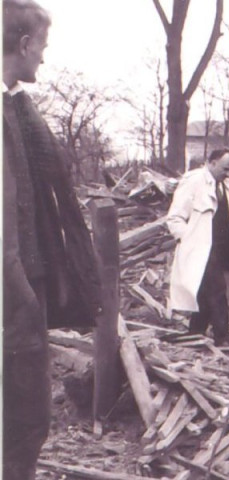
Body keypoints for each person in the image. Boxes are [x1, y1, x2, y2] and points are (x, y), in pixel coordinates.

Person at [3, 2, 103, 476]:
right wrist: (22, 295)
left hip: (25, 284)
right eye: (42, 45)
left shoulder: (17, 109)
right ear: (24, 44)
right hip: (12, 289)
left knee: (27, 417)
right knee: (21, 417)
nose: (44, 56)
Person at [166, 148, 229, 347]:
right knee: (217, 289)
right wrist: (188, 239)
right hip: (201, 246)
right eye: (224, 168)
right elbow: (175, 217)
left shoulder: (226, 186)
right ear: (211, 162)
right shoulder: (194, 181)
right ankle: (222, 336)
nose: (227, 173)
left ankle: (196, 331)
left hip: (221, 247)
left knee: (205, 290)